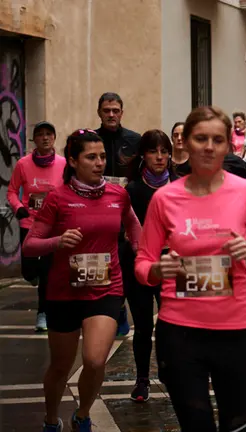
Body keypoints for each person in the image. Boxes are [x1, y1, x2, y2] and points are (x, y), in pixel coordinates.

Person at [135, 106, 246, 431]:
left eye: (217, 140)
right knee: (196, 426)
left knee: (238, 426)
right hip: (180, 334)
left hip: (236, 333)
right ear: (185, 143)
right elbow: (142, 265)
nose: (208, 147)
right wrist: (158, 270)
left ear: (228, 146)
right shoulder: (164, 199)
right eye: (200, 138)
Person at [24, 129, 142, 432]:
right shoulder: (57, 198)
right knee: (61, 367)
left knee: (93, 360)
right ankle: (52, 418)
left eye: (102, 156)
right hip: (63, 292)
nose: (100, 162)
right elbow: (30, 245)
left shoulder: (119, 194)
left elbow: (132, 222)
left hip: (106, 287)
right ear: (74, 161)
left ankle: (83, 414)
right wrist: (58, 242)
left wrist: (141, 251)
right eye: (91, 157)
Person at [120, 130, 178, 403]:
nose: (160, 157)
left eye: (164, 151)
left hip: (172, 266)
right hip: (141, 267)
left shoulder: (180, 186)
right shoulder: (132, 190)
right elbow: (125, 230)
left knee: (172, 324)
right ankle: (141, 380)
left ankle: (170, 371)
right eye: (154, 151)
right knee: (143, 326)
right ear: (143, 154)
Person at [8, 121, 66, 332]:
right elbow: (12, 191)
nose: (45, 138)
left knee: (47, 272)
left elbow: (69, 189)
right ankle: (32, 276)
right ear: (34, 139)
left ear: (54, 138)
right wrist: (18, 208)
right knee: (29, 270)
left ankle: (43, 313)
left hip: (53, 225)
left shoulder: (63, 163)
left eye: (48, 134)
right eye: (40, 134)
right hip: (29, 222)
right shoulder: (23, 164)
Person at [95, 92, 141, 337]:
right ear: (99, 113)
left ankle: (121, 306)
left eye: (115, 110)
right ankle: (109, 309)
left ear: (122, 112)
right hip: (98, 213)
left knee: (125, 263)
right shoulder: (92, 140)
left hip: (128, 213)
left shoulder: (135, 140)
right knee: (102, 263)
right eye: (106, 110)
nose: (111, 114)